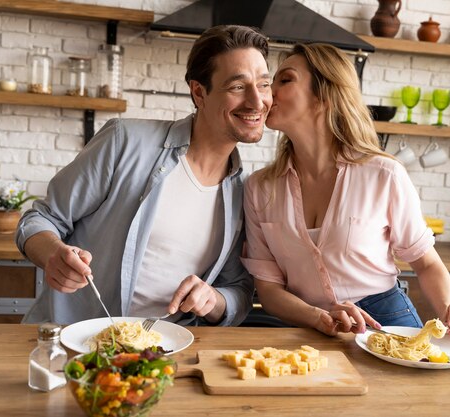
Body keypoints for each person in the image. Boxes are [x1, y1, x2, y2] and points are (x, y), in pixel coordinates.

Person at [16, 25, 273, 326]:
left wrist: (214, 300)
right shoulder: (124, 142)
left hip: (164, 354)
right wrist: (53, 255)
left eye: (264, 84)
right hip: (74, 342)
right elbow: (39, 220)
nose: (257, 102)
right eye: (238, 87)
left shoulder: (245, 190)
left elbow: (239, 290)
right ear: (199, 92)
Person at [241, 43, 450, 338]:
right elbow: (269, 289)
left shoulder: (384, 174)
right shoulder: (259, 188)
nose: (267, 92)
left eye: (284, 80)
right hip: (308, 325)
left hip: (386, 321)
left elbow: (426, 263)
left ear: (324, 96)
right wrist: (319, 316)